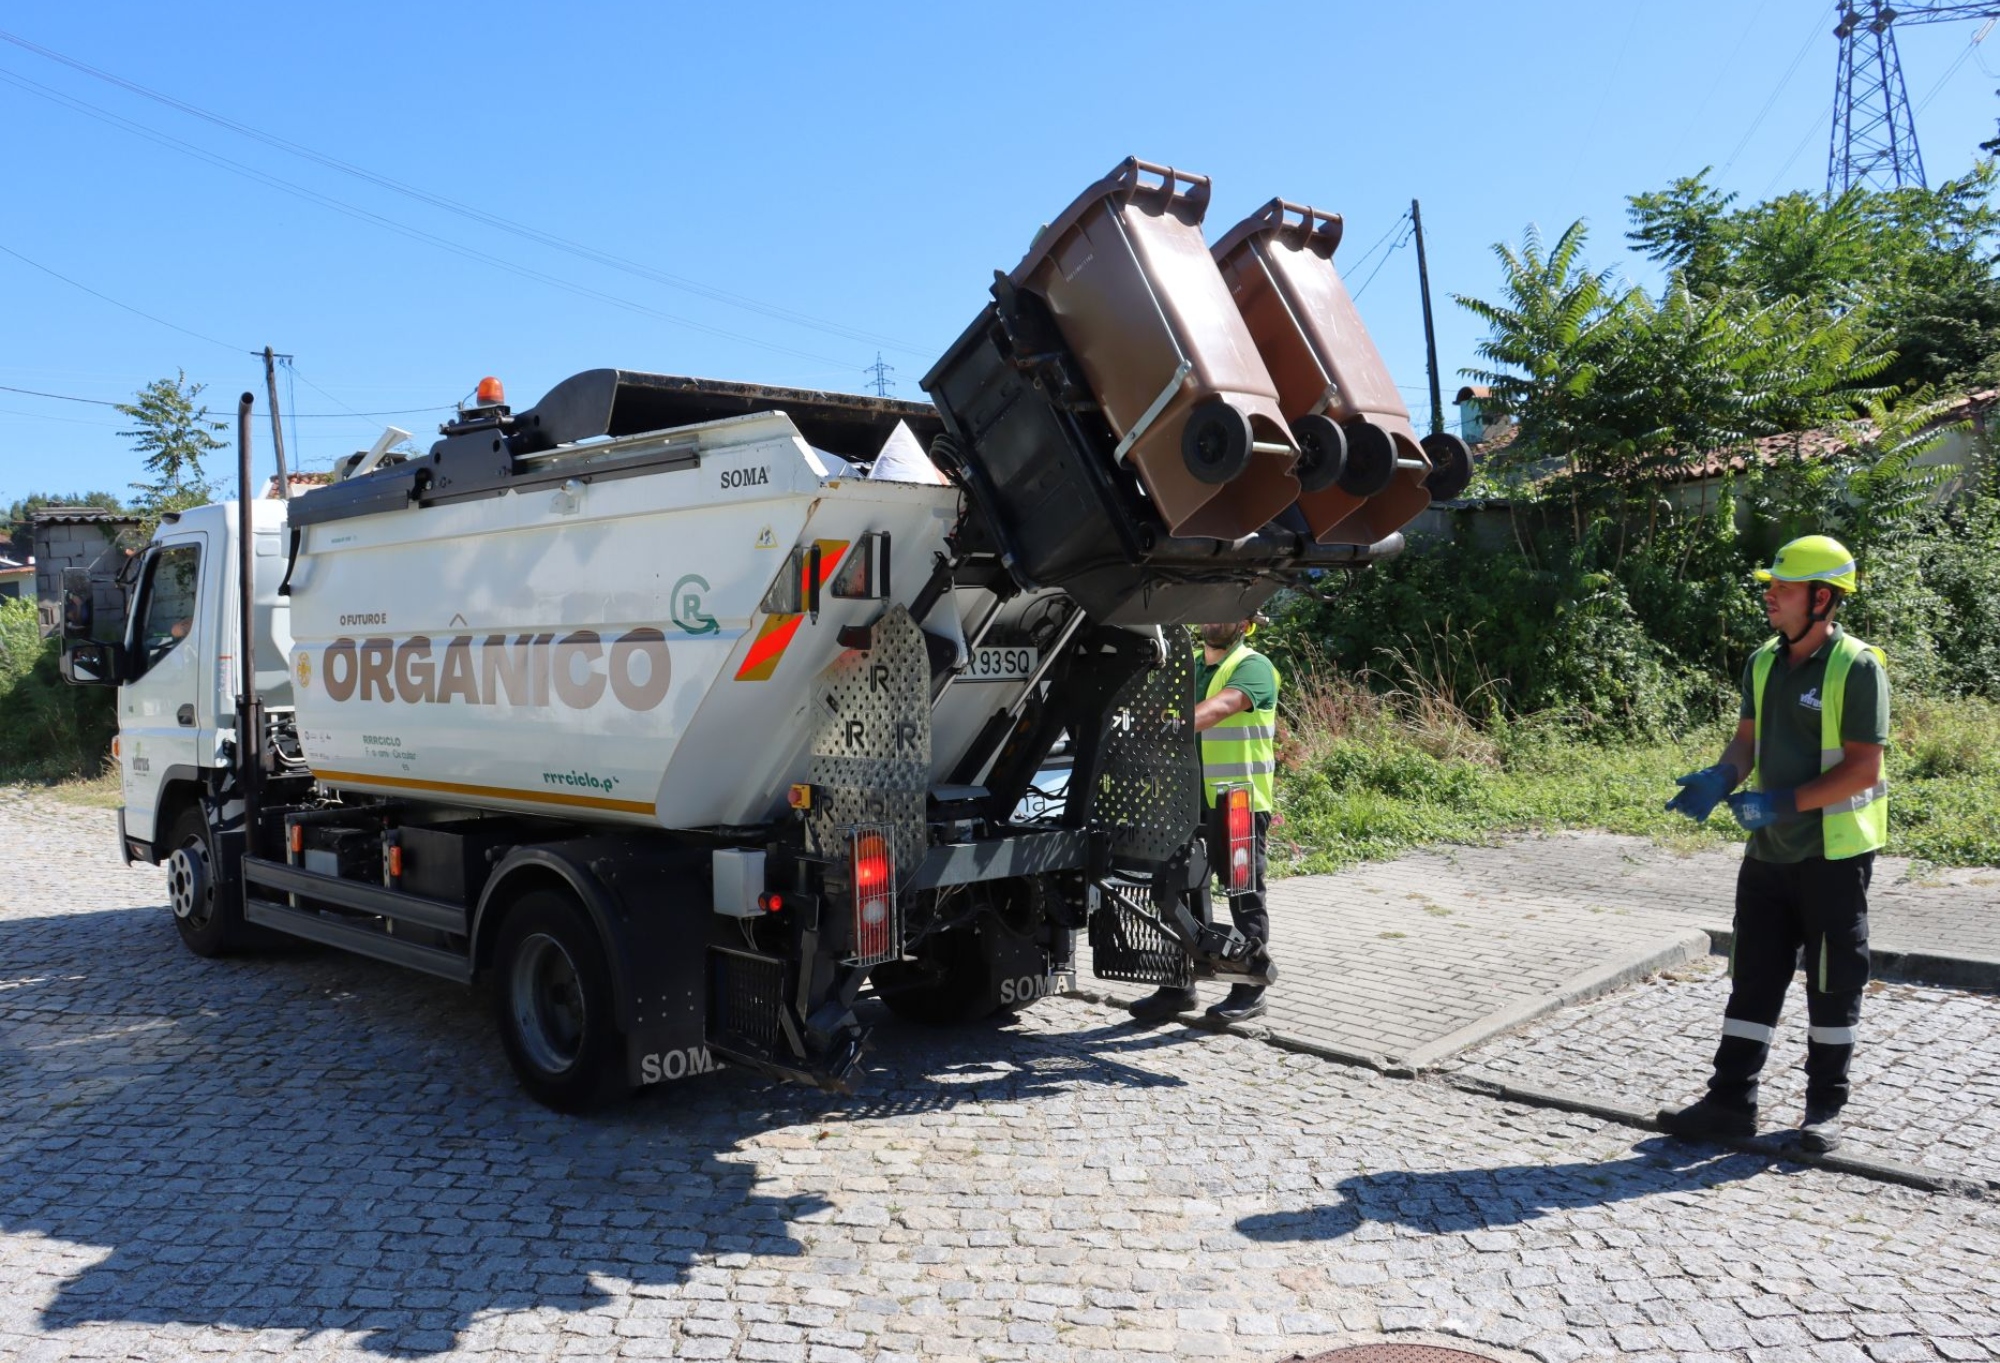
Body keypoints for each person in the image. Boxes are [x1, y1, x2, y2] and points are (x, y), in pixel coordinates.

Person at [1659, 535, 1890, 1153]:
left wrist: (1781, 803)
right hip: (1766, 855)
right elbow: (1745, 744)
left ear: (1821, 599)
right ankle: (1729, 1103)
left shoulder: (1857, 666)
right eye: (1772, 586)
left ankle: (1823, 1114)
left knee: (1831, 981)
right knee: (1752, 976)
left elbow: (1864, 768)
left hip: (1832, 856)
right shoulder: (1763, 661)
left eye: (1782, 588)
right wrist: (1722, 776)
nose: (1770, 596)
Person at [1128, 616, 1281, 1024]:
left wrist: (1157, 723)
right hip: (1185, 800)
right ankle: (1177, 987)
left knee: (1243, 895)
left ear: (1246, 623)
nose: (1216, 619)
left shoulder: (1253, 666)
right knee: (1176, 892)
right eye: (1211, 610)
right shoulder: (1188, 664)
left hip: (1238, 803)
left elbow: (1218, 710)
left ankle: (1250, 989)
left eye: (1229, 613)